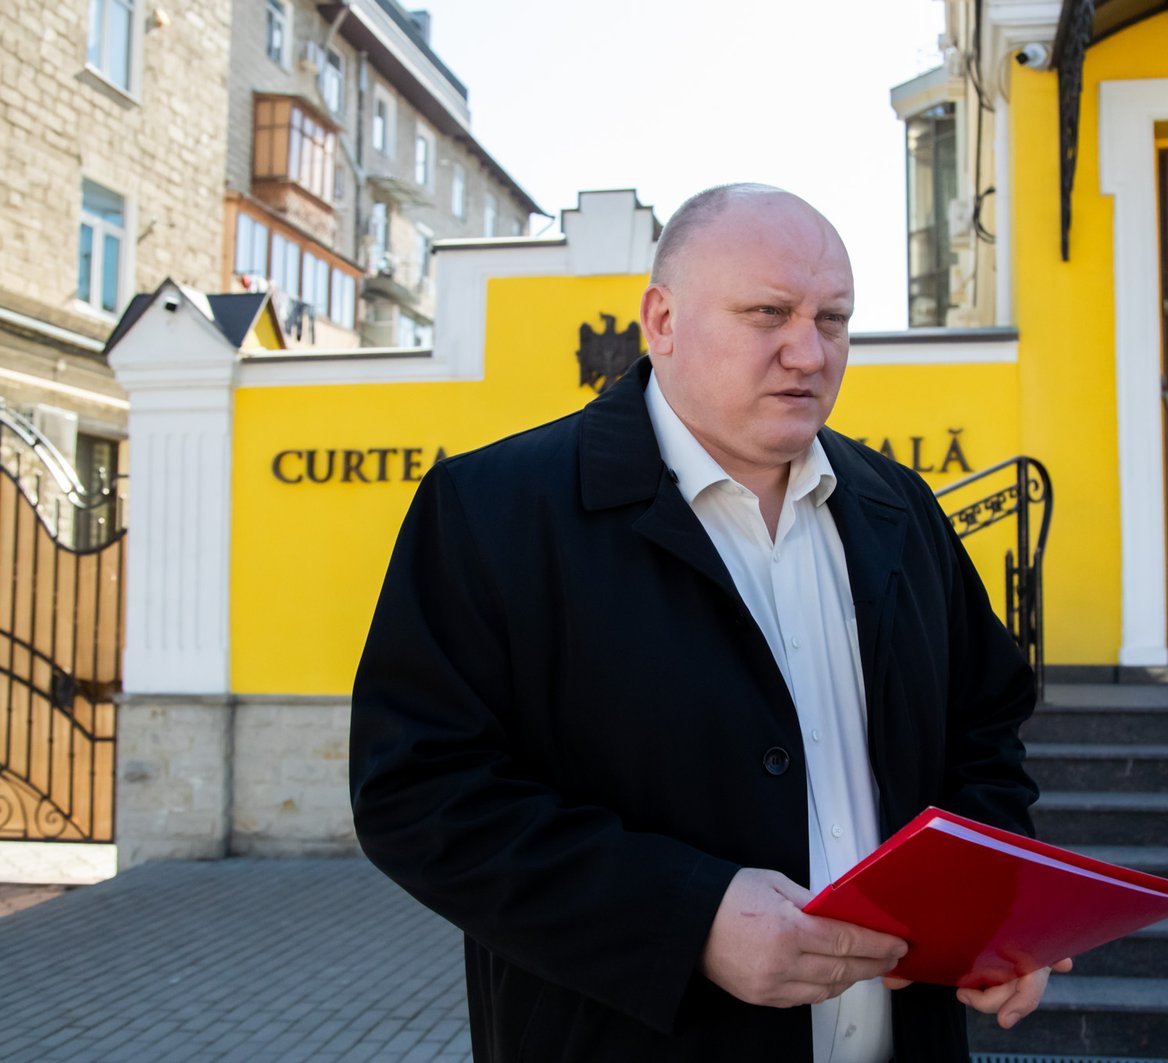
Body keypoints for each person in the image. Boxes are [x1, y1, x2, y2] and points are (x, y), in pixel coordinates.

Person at [349, 184, 1068, 1062]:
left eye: (833, 319)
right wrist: (688, 918)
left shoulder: (900, 508)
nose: (808, 351)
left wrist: (989, 907)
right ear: (662, 320)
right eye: (768, 313)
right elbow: (417, 793)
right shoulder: (493, 510)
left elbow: (983, 730)